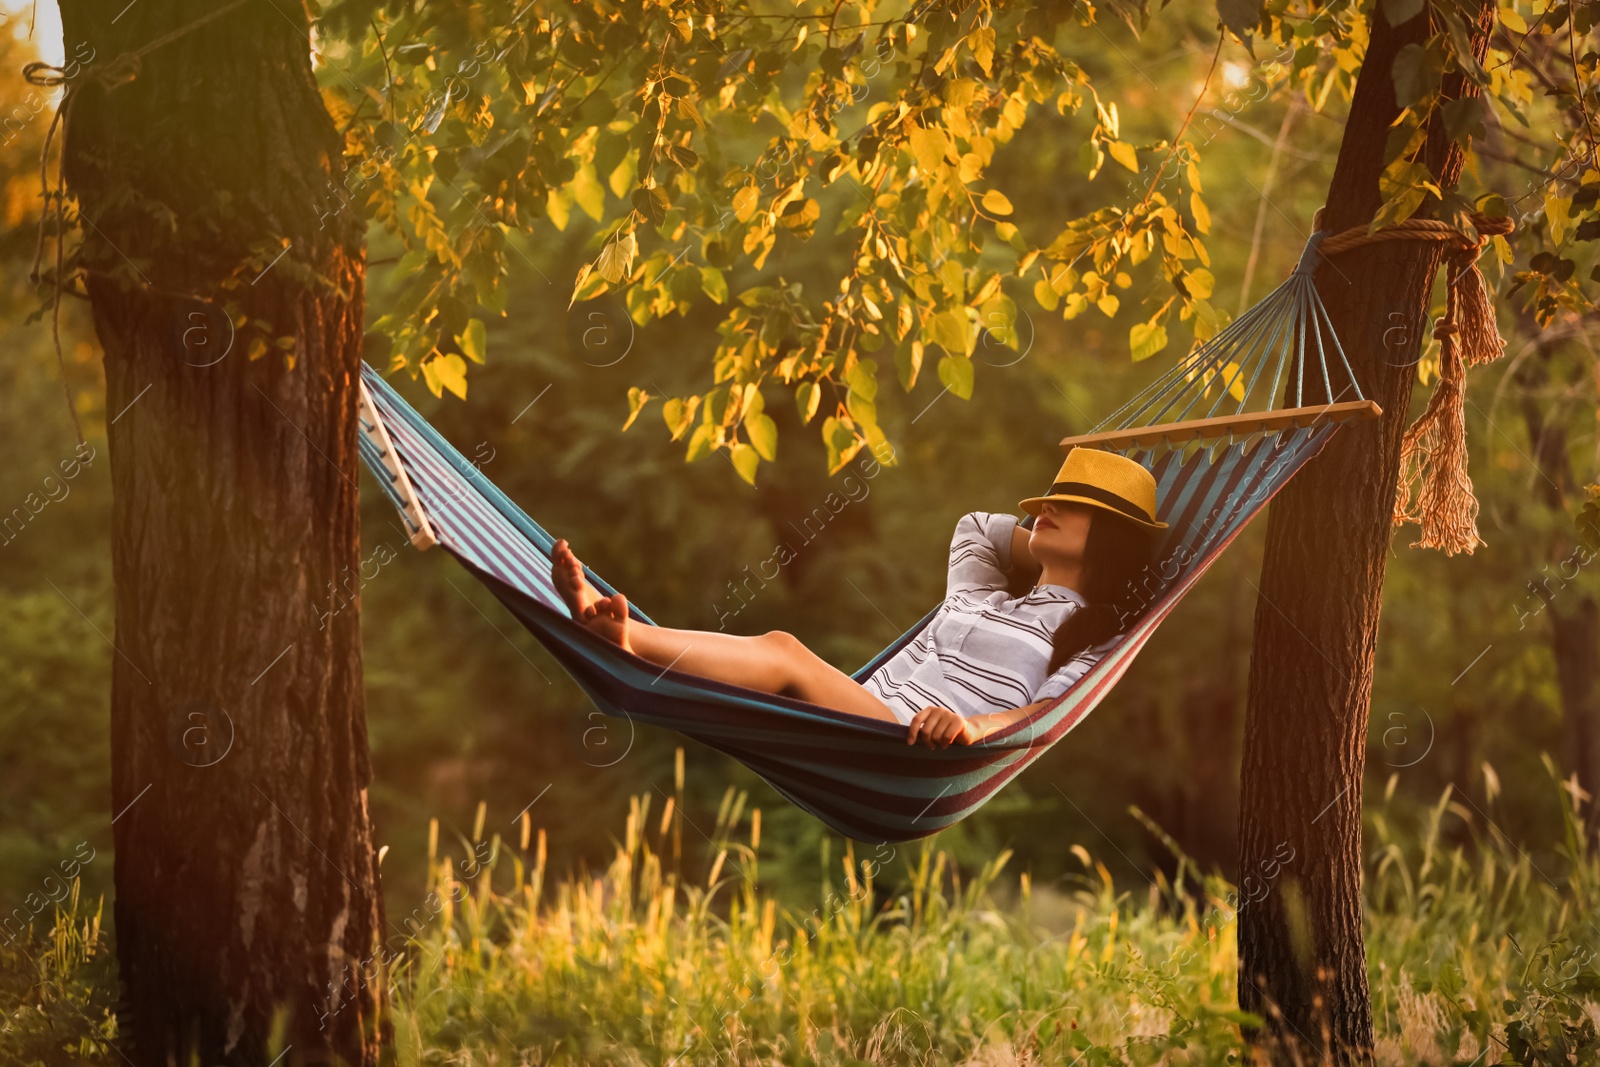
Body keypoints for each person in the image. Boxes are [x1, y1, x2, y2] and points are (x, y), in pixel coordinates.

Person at [550, 448, 1165, 748]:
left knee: (786, 653)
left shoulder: (1090, 636)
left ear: (1110, 538)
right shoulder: (981, 591)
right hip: (861, 711)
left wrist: (972, 728)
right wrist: (1053, 553)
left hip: (911, 748)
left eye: (1073, 508)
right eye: (1048, 504)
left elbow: (1045, 718)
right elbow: (976, 527)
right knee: (786, 655)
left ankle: (627, 642)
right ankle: (626, 642)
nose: (1047, 509)